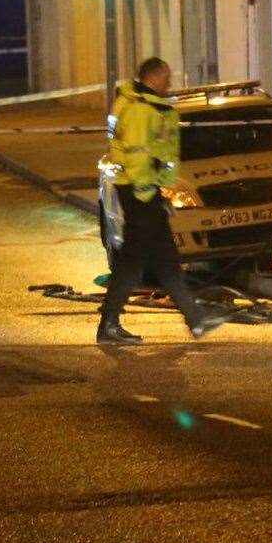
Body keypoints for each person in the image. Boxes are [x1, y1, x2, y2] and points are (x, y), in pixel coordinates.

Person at [97, 57, 225, 345]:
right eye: (166, 78)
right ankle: (110, 324)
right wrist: (149, 194)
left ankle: (195, 320)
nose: (169, 84)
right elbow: (139, 153)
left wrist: (158, 193)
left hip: (139, 191)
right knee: (138, 261)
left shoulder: (135, 103)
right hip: (140, 191)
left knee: (159, 259)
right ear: (153, 78)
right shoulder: (143, 109)